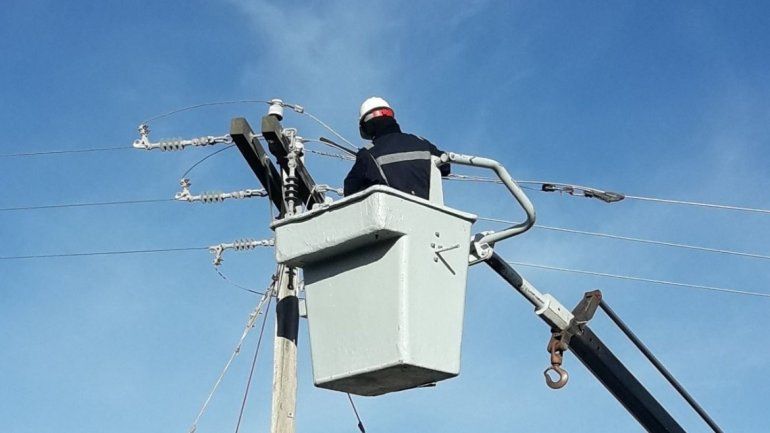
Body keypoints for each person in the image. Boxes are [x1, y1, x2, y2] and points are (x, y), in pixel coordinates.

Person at [343, 97, 450, 200]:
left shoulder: (367, 153)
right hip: (428, 214)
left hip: (393, 215)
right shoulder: (421, 142)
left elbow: (350, 190)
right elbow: (446, 166)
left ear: (366, 126)